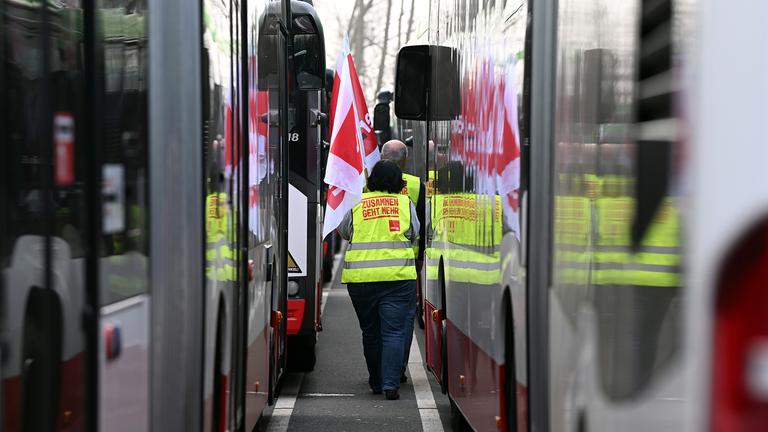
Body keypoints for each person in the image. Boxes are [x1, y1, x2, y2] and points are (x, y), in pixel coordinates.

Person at [338, 160, 419, 400]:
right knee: (394, 332)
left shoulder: (357, 203)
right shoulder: (405, 203)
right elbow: (414, 233)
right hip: (398, 278)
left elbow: (344, 232)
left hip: (361, 280)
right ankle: (390, 385)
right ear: (398, 182)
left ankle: (375, 381)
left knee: (371, 332)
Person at [380, 140, 426, 383]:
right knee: (402, 321)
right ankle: (398, 367)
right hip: (407, 264)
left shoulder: (367, 185)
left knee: (375, 325)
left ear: (380, 156)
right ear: (406, 160)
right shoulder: (418, 185)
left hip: (368, 267)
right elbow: (420, 227)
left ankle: (380, 371)